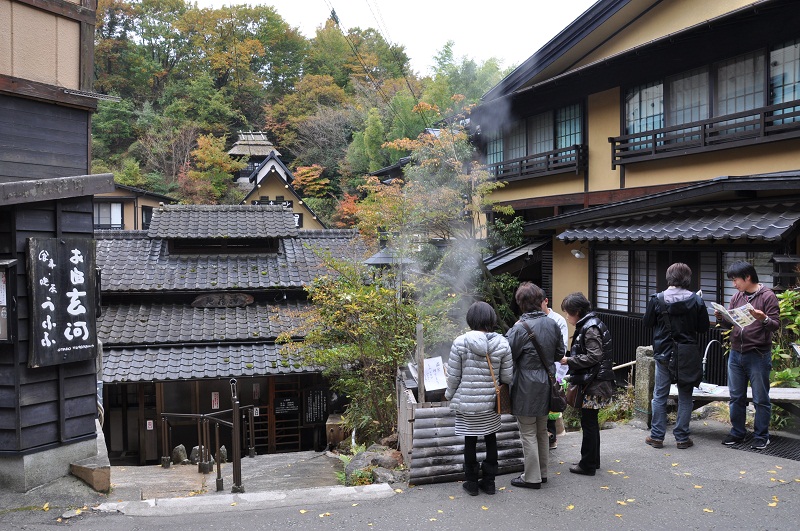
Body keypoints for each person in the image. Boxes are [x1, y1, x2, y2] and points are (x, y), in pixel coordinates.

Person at [445, 301, 513, 496]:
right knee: (491, 438)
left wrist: (449, 395)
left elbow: (454, 376)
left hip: (467, 404)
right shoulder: (502, 343)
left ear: (471, 320)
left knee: (470, 440)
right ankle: (490, 483)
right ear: (491, 320)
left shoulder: (460, 342)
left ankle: (472, 483)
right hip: (491, 403)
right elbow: (507, 378)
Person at [642, 263, 710, 450]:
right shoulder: (696, 301)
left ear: (669, 277)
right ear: (687, 278)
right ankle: (681, 437)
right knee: (685, 396)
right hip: (687, 354)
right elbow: (703, 328)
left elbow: (647, 323)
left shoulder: (657, 299)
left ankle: (657, 437)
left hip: (664, 353)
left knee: (659, 396)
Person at [505, 283, 565, 489]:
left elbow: (508, 356)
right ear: (540, 301)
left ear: (521, 304)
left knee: (528, 432)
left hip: (525, 385)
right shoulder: (553, 324)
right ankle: (543, 472)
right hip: (547, 382)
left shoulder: (519, 328)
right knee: (541, 429)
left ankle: (531, 477)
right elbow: (559, 354)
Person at [714, 261, 779, 450]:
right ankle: (737, 433)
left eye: (735, 280)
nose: (734, 284)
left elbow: (775, 324)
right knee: (736, 397)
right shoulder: (737, 297)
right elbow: (731, 325)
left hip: (758, 354)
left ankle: (761, 436)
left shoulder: (768, 296)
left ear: (747, 277)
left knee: (760, 398)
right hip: (736, 353)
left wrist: (763, 319)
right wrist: (722, 318)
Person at [559, 292, 614, 476]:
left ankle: (587, 464)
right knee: (591, 422)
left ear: (577, 311)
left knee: (588, 423)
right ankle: (592, 461)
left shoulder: (590, 328)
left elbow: (594, 355)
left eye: (568, 312)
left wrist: (570, 360)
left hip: (593, 382)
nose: (567, 317)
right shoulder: (591, 324)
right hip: (596, 380)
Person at [542, 291, 569, 450]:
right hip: (539, 368)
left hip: (553, 368)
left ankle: (552, 438)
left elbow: (562, 348)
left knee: (551, 402)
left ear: (546, 301)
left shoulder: (558, 320)